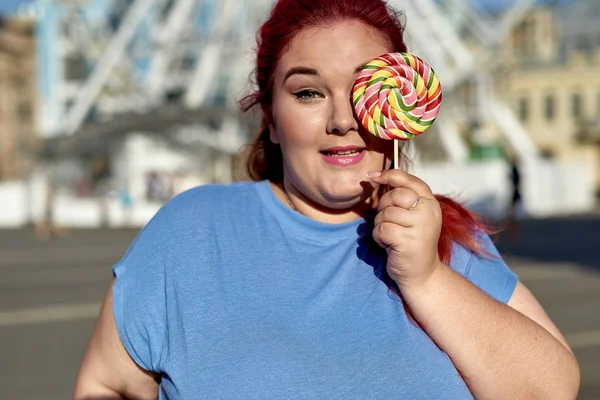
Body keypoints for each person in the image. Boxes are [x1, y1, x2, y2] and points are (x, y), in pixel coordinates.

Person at [74, 0, 580, 398]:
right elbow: (109, 387)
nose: (343, 120)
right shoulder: (190, 233)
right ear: (270, 117)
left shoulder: (445, 239)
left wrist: (427, 278)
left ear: (401, 102)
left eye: (364, 90)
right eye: (309, 93)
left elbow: (550, 391)